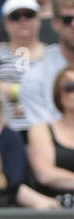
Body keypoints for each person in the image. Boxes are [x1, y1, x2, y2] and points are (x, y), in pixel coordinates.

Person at [0, 0, 46, 132]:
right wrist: (26, 92)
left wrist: (9, 90)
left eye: (29, 15)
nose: (23, 20)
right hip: (4, 129)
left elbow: (62, 87)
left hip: (48, 126)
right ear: (6, 23)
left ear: (38, 19)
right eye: (15, 17)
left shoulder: (54, 53)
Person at [19, 0, 74, 126]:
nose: (73, 24)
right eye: (68, 19)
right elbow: (43, 130)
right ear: (55, 23)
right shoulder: (35, 77)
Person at [25, 64, 74, 206]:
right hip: (57, 206)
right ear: (58, 92)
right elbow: (45, 174)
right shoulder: (41, 129)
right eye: (69, 87)